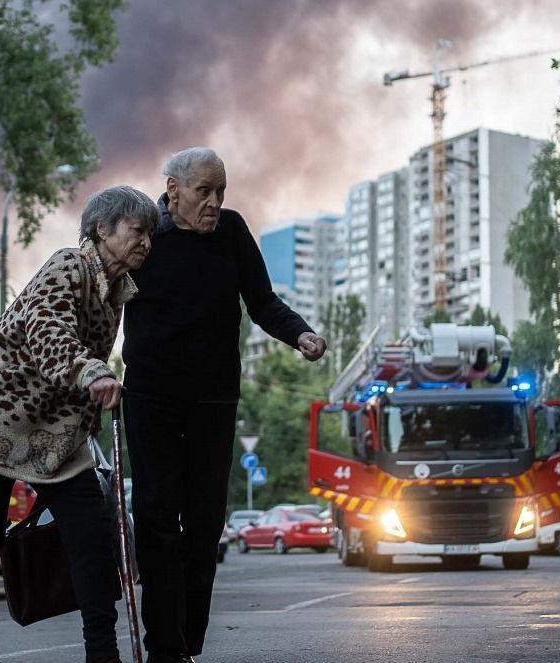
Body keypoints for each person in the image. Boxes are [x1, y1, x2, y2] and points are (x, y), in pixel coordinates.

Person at [0, 185, 158, 663]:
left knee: (93, 536)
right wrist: (92, 370)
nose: (146, 243)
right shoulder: (67, 266)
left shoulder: (118, 290)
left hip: (57, 433)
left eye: (150, 235)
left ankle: (102, 654)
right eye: (138, 231)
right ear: (102, 229)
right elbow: (48, 330)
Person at [121, 147, 327, 662]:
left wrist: (300, 333)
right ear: (172, 190)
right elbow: (103, 294)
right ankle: (165, 647)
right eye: (203, 192)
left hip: (213, 400)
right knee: (157, 519)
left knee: (207, 522)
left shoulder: (232, 232)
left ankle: (189, 639)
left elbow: (262, 303)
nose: (214, 202)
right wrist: (91, 369)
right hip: (151, 398)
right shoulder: (145, 234)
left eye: (221, 192)